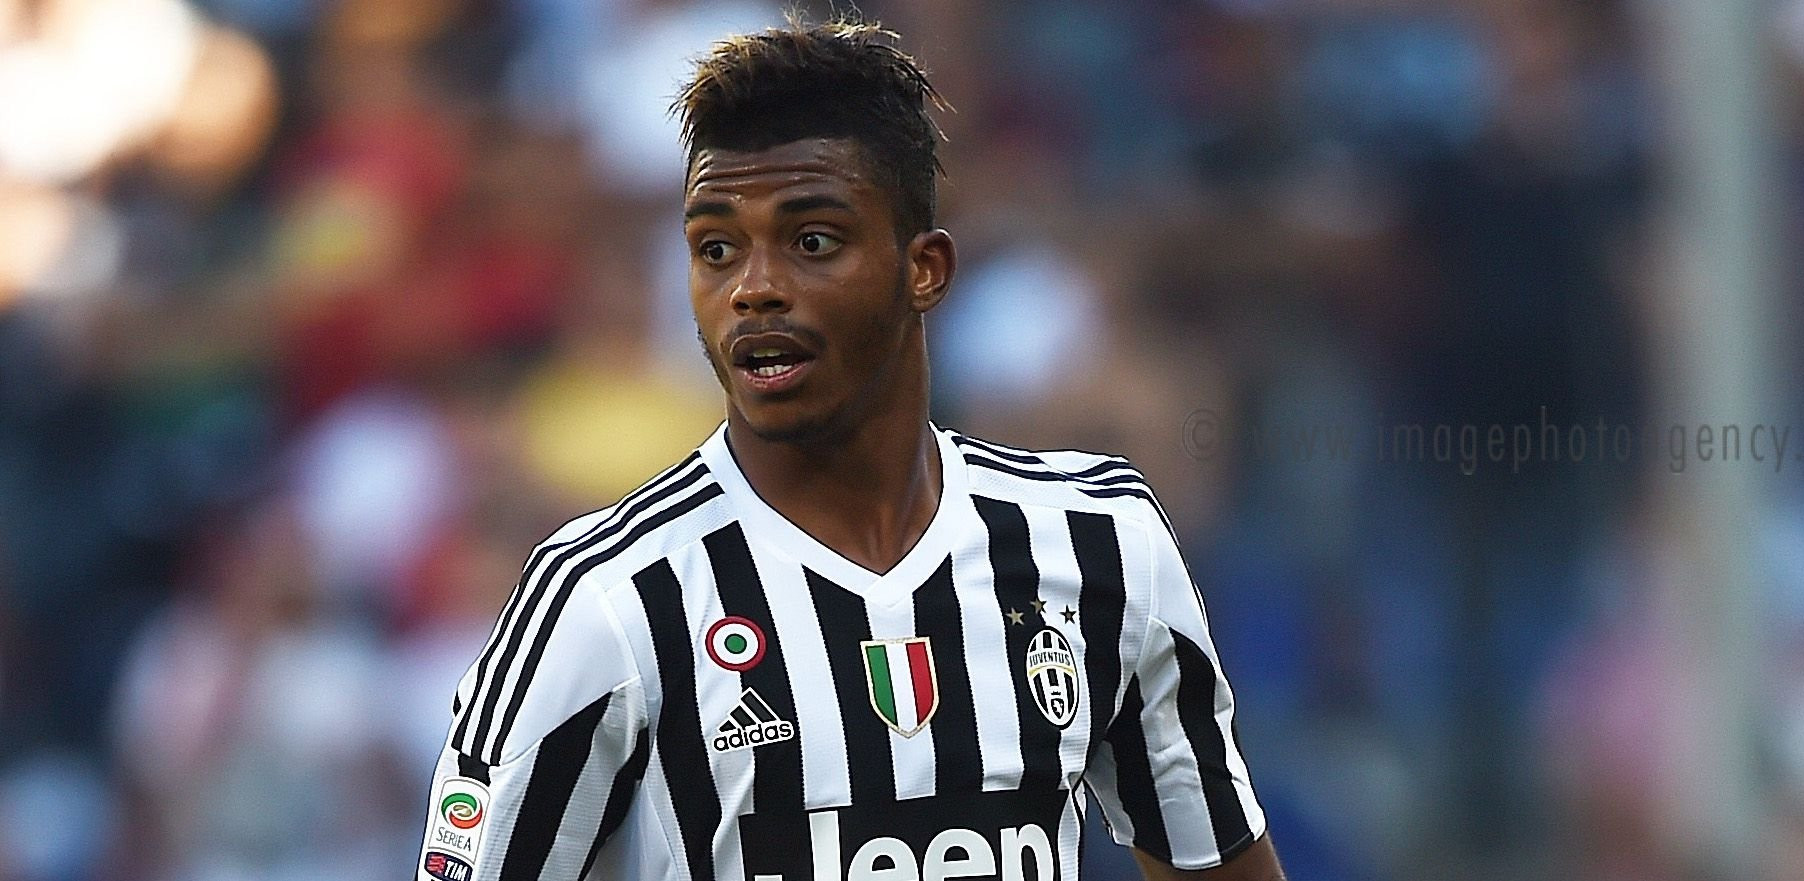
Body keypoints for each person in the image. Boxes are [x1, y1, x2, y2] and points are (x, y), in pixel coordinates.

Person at [416, 17, 1285, 881]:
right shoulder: (606, 598)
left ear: (925, 269)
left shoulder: (1098, 543)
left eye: (812, 241)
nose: (754, 288)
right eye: (716, 248)